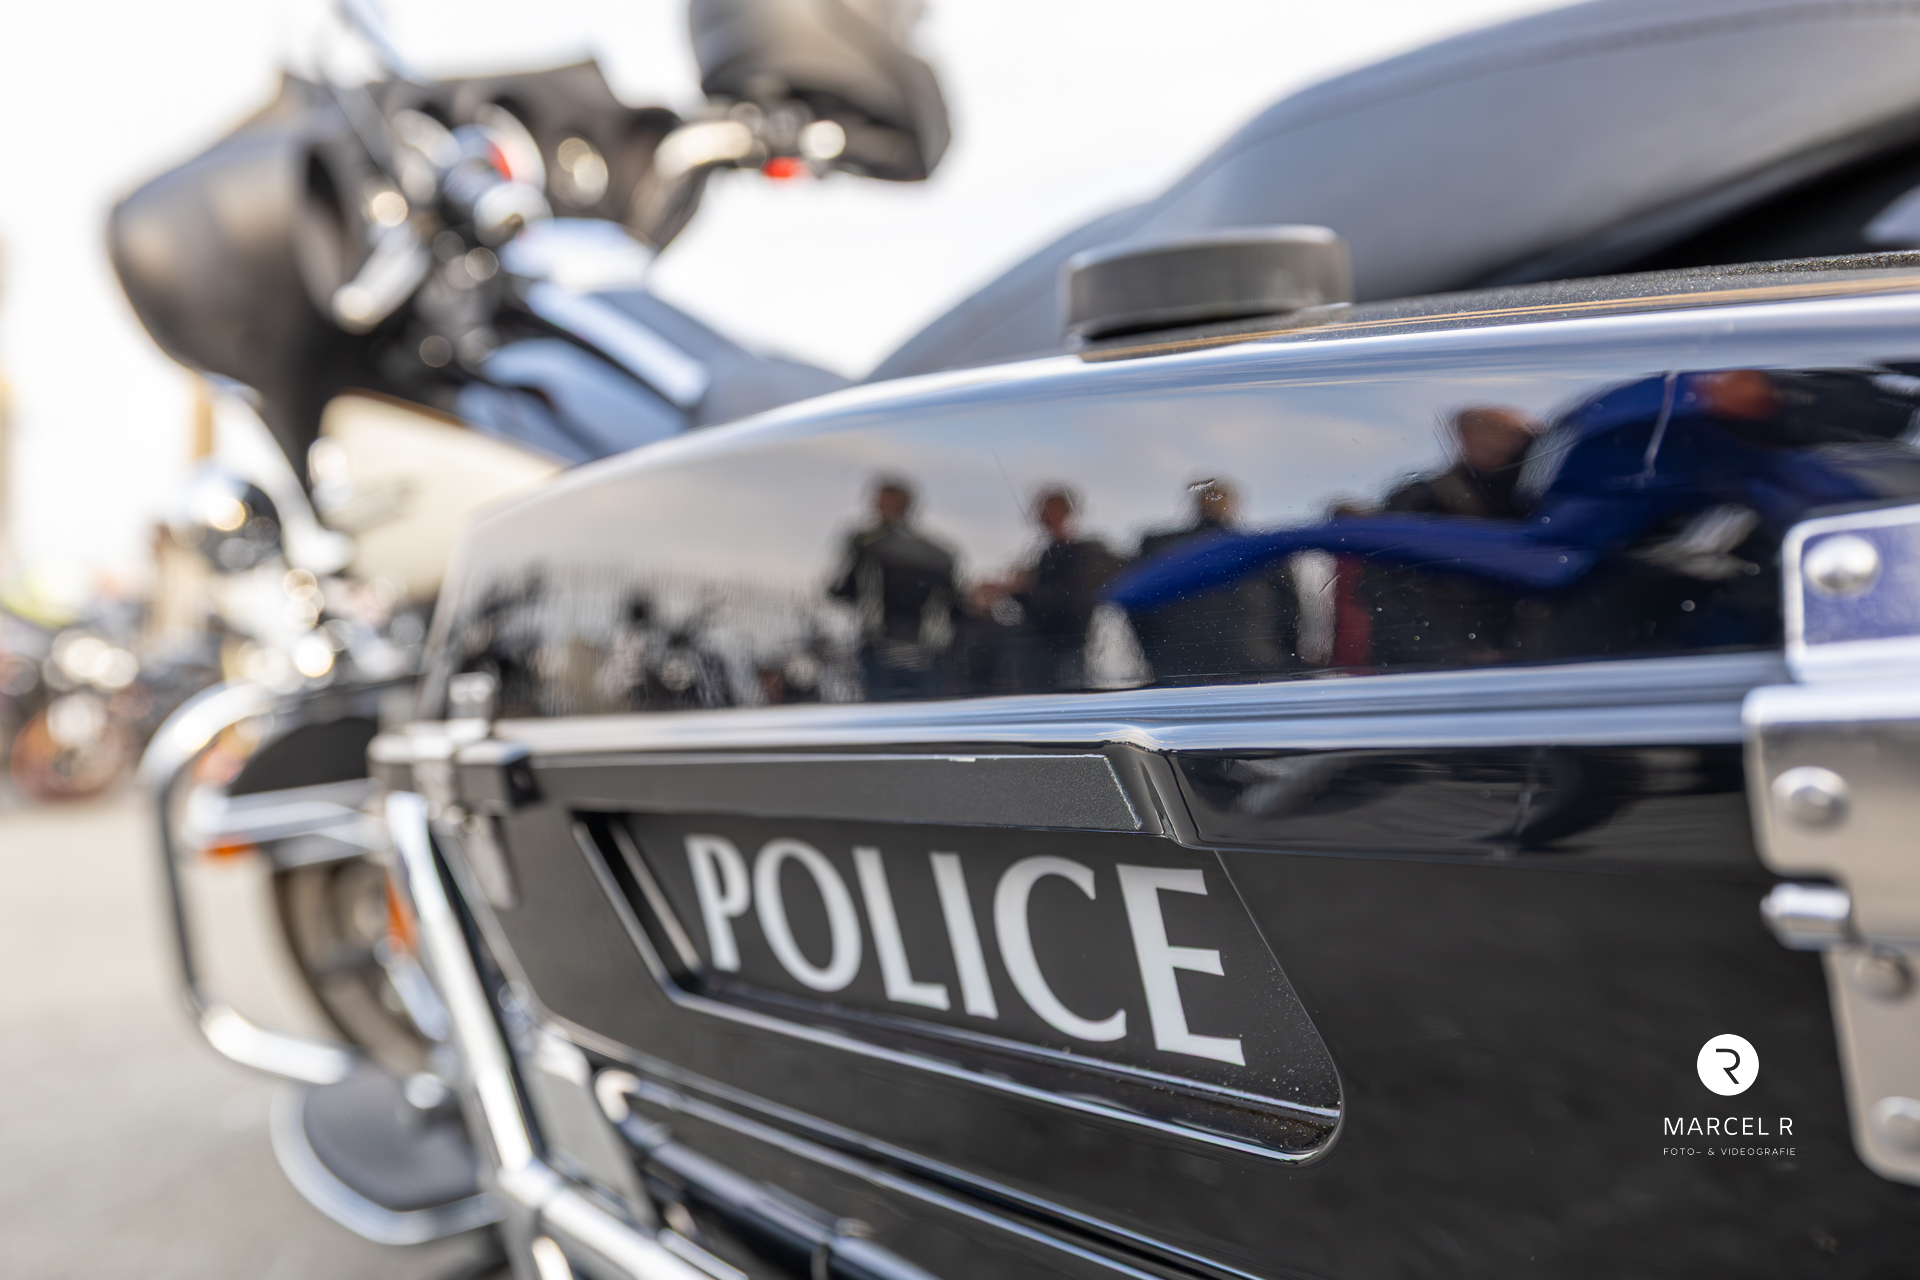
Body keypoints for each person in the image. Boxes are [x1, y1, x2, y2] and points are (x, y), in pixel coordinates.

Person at [1128, 479, 1299, 681]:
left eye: (1219, 498)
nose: (1216, 504)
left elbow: (1289, 611)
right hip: (1249, 670)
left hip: (1184, 670)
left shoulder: (1164, 547)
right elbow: (1290, 612)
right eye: (1213, 498)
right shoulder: (1259, 548)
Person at [829, 477, 958, 701]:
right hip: (916, 651)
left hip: (894, 650)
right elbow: (954, 601)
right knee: (917, 715)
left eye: (884, 502)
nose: (880, 507)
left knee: (890, 715)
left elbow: (842, 589)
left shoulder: (865, 544)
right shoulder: (936, 552)